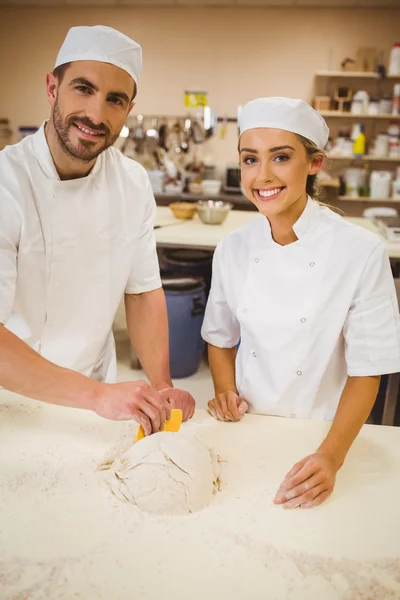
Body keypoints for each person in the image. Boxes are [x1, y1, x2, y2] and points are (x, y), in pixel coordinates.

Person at [201, 97, 400, 509]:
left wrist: (332, 455)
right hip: (246, 430)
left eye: (281, 157)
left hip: (323, 434)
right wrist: (224, 392)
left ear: (314, 164)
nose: (263, 175)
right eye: (250, 159)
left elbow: (367, 371)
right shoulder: (232, 249)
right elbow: (220, 338)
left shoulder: (360, 252)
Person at [0, 25, 195, 435]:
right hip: (13, 399)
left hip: (97, 396)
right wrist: (97, 396)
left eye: (115, 100)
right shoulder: (7, 184)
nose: (95, 114)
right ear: (52, 88)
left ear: (129, 109)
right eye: (83, 89)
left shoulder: (132, 182)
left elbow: (142, 292)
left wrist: (160, 386)